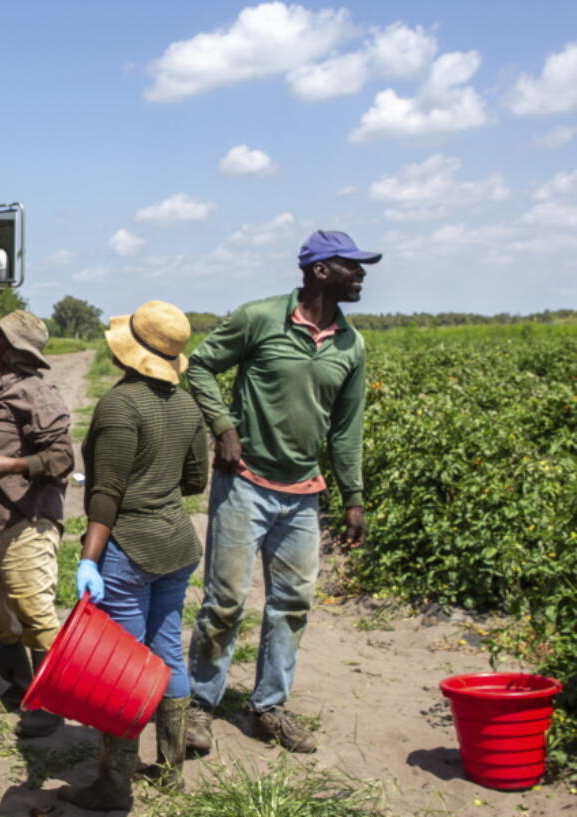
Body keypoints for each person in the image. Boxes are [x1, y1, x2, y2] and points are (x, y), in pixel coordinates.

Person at [185, 230, 379, 755]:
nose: (362, 275)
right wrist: (223, 427)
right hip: (244, 483)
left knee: (292, 604)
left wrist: (353, 497)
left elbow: (346, 429)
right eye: (352, 266)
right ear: (320, 270)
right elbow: (199, 366)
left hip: (302, 495)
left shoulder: (351, 345)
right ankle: (199, 706)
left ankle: (268, 707)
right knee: (225, 602)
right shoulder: (260, 318)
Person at [59, 301, 208, 811]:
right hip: (177, 544)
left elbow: (107, 493)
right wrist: (158, 483)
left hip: (130, 548)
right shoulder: (187, 406)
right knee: (167, 652)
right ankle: (170, 772)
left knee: (120, 670)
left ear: (130, 352)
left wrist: (89, 556)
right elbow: (195, 481)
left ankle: (112, 786)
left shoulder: (121, 405)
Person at [0, 310, 74, 738]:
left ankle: (50, 703)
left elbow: (63, 457)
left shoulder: (34, 392)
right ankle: (23, 687)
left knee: (33, 610)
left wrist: (15, 463)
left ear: (10, 347)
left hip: (25, 517)